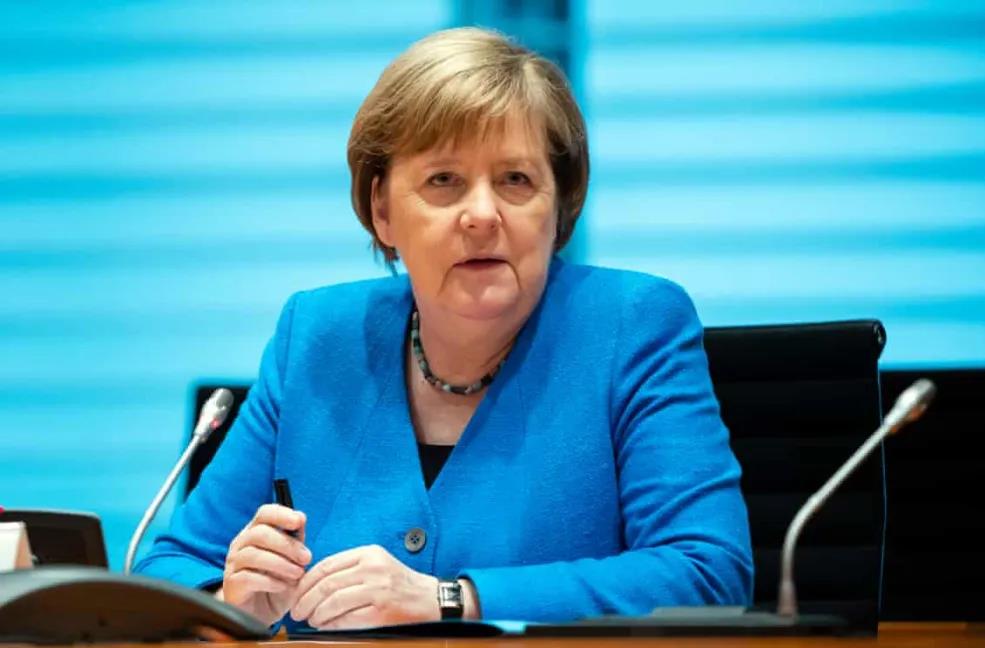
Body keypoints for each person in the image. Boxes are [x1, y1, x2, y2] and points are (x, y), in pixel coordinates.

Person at [135, 26, 752, 631]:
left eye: (515, 180)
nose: (482, 215)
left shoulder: (632, 326)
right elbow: (171, 568)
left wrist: (454, 598)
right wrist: (231, 600)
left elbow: (706, 572)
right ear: (382, 210)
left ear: (559, 205)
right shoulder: (318, 336)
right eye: (443, 181)